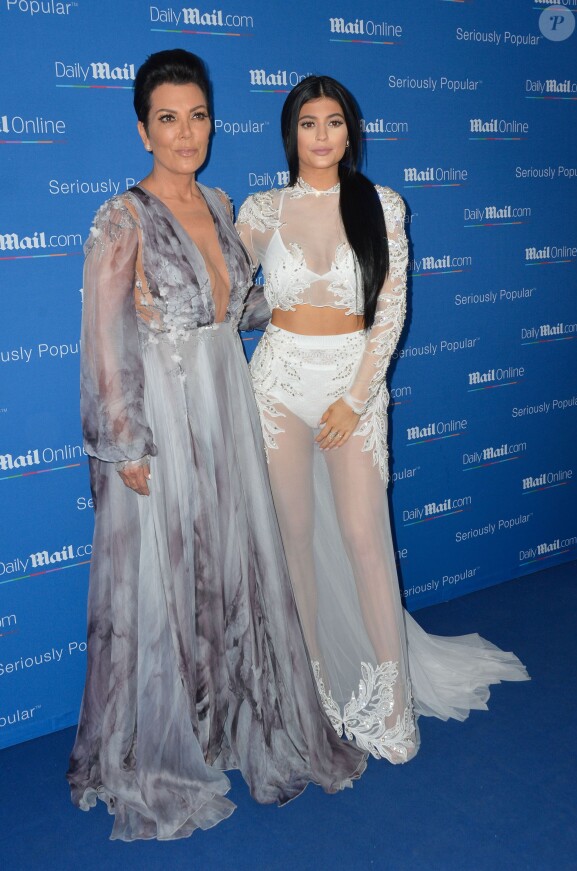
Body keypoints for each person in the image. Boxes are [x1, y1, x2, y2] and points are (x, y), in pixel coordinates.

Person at [66, 52, 366, 842]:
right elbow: (103, 343)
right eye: (168, 117)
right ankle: (163, 745)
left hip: (229, 407)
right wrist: (123, 440)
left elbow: (240, 306)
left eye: (197, 115)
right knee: (164, 579)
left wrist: (317, 293)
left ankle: (229, 722)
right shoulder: (121, 218)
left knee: (232, 566)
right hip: (161, 422)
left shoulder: (223, 201)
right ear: (142, 129)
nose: (185, 132)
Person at [236, 75, 530, 764]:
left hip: (351, 385)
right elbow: (225, 290)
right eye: (308, 123)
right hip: (276, 383)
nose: (321, 135)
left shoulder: (381, 204)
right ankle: (313, 691)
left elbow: (390, 310)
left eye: (333, 121)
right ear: (291, 133)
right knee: (295, 543)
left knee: (366, 537)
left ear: (351, 130)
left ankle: (391, 704)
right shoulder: (260, 209)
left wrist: (355, 398)